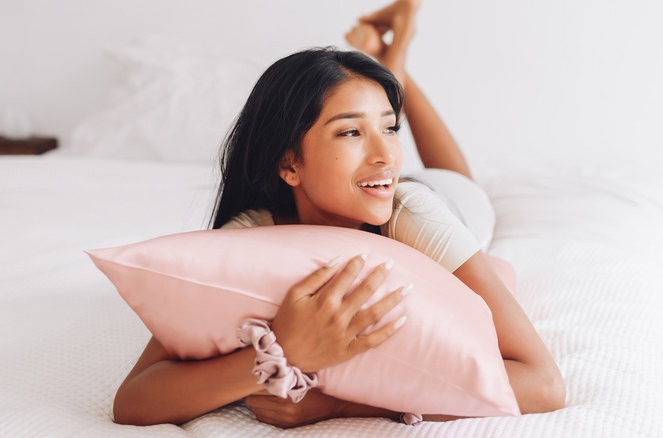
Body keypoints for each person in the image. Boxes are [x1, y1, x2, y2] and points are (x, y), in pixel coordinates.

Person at [113, 0, 565, 428]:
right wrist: (280, 353)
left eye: (391, 127)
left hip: (445, 204)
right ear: (289, 164)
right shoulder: (252, 236)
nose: (386, 152)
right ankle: (389, 58)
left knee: (459, 182)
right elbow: (133, 401)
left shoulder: (412, 213)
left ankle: (396, 56)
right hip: (384, 194)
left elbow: (543, 384)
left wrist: (339, 405)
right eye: (350, 131)